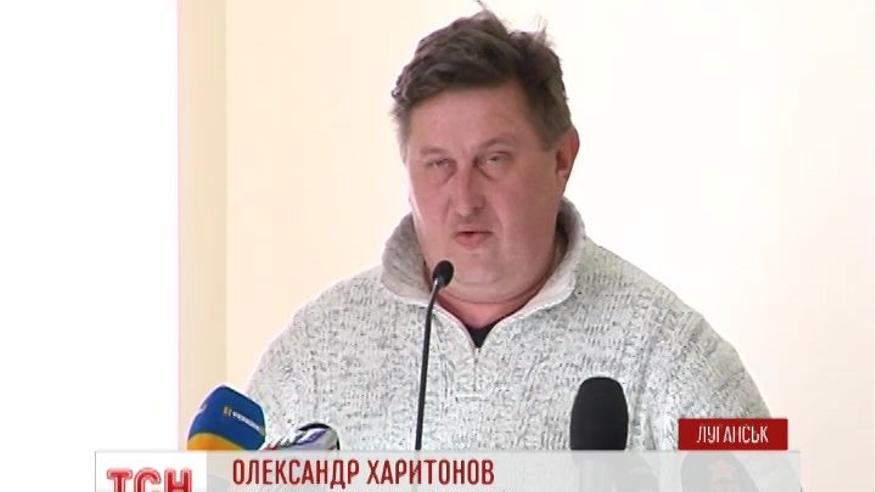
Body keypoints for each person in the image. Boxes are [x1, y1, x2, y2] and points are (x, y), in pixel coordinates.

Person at [246, 9, 768, 450]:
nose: (465, 200)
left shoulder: (672, 349)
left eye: (493, 160)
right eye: (438, 165)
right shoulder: (316, 348)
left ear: (562, 159)